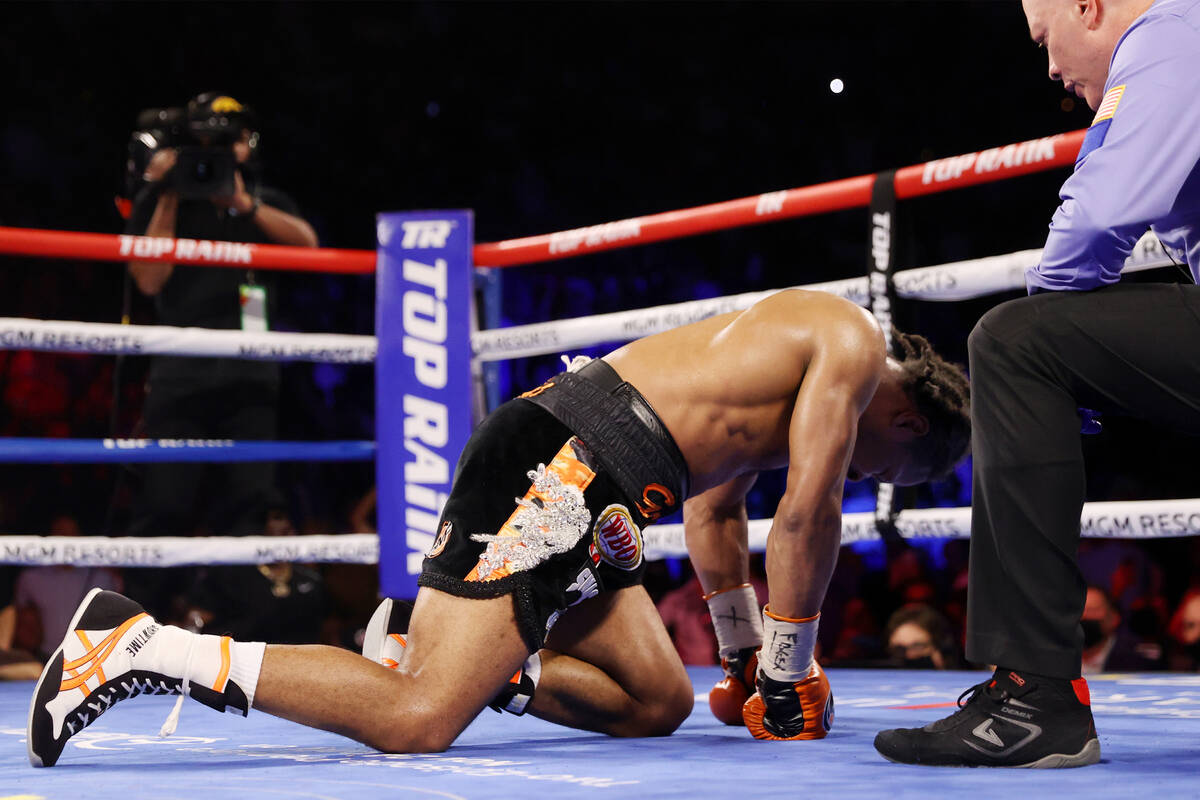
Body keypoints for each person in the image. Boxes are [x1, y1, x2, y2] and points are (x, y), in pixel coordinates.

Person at [29, 288, 969, 767]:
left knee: (657, 703)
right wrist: (789, 670)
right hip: (565, 461)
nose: (866, 476)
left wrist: (739, 663)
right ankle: (137, 645)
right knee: (420, 719)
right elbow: (805, 512)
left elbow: (717, 506)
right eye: (890, 471)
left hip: (605, 489)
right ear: (912, 425)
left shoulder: (802, 354)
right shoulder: (851, 343)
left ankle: (427, 643)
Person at [875, 0, 1200, 769]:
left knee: (1016, 341)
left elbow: (1097, 217)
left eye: (1044, 37)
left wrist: (1052, 354)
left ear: (1087, 6)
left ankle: (1033, 696)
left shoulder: (1172, 35)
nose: (1049, 66)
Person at [123, 92, 318, 616]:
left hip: (249, 378)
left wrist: (244, 205)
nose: (214, 151)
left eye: (226, 139)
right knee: (164, 501)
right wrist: (166, 190)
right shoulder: (162, 202)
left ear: (246, 145)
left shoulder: (262, 200)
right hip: (179, 374)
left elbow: (311, 251)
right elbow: (147, 278)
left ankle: (242, 632)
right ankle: (133, 631)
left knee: (249, 505)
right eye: (203, 140)